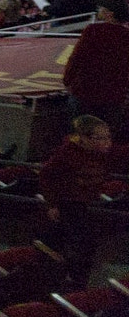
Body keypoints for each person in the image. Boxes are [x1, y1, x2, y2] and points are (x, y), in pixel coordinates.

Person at [39, 115, 113, 284]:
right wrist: (52, 204)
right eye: (100, 138)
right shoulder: (67, 154)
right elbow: (46, 176)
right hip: (69, 202)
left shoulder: (101, 152)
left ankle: (72, 278)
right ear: (84, 138)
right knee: (82, 243)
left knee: (82, 242)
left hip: (87, 202)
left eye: (108, 137)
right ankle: (73, 279)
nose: (107, 142)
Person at [62, 0, 129, 130]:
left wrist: (67, 80)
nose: (99, 10)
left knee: (80, 131)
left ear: (109, 14)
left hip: (85, 91)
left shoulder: (93, 31)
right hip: (114, 96)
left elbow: (77, 59)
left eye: (101, 8)